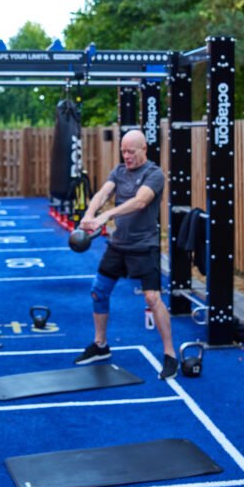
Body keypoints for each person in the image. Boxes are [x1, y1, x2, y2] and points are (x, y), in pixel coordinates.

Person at [74, 130, 177, 380]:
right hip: (119, 244)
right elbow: (102, 193)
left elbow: (140, 202)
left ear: (144, 149)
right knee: (99, 290)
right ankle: (100, 345)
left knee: (153, 299)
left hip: (144, 246)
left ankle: (170, 354)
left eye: (131, 151)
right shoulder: (119, 171)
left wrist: (106, 215)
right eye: (123, 151)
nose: (127, 156)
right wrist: (90, 213)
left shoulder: (154, 174)